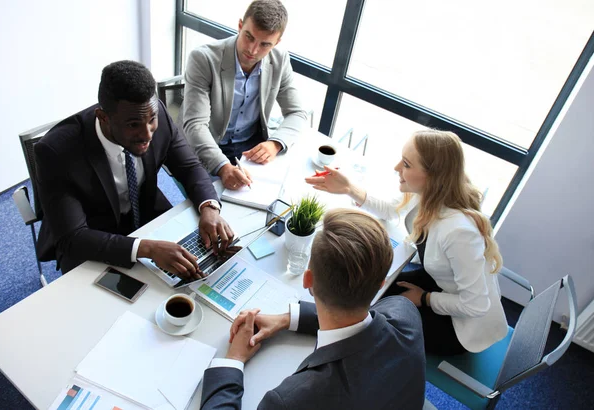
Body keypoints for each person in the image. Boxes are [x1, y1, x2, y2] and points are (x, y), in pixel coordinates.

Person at [305, 130, 509, 355]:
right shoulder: (429, 194)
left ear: (432, 176)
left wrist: (424, 298)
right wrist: (348, 188)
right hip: (443, 284)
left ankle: (322, 343)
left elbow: (475, 306)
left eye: (407, 164)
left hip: (461, 325)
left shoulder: (459, 232)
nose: (396, 168)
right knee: (364, 288)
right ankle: (311, 322)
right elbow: (391, 210)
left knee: (366, 318)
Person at [200, 209, 426, 410]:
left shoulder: (290, 401)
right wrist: (288, 319)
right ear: (381, 284)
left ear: (307, 280)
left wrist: (233, 359)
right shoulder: (405, 313)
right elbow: (356, 315)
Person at [35, 60, 234, 277]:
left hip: (145, 211)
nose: (148, 133)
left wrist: (209, 209)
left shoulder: (155, 114)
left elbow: (189, 167)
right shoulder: (55, 152)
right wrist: (146, 248)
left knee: (190, 274)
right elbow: (73, 237)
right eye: (133, 125)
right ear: (103, 117)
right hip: (89, 232)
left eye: (151, 120)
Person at [182, 0, 307, 191]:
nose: (253, 50)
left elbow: (297, 112)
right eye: (249, 37)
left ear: (277, 42)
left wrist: (275, 143)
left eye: (265, 44)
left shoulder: (280, 59)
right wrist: (223, 167)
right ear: (240, 25)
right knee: (211, 206)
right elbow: (195, 125)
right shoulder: (203, 59)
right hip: (209, 143)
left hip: (251, 144)